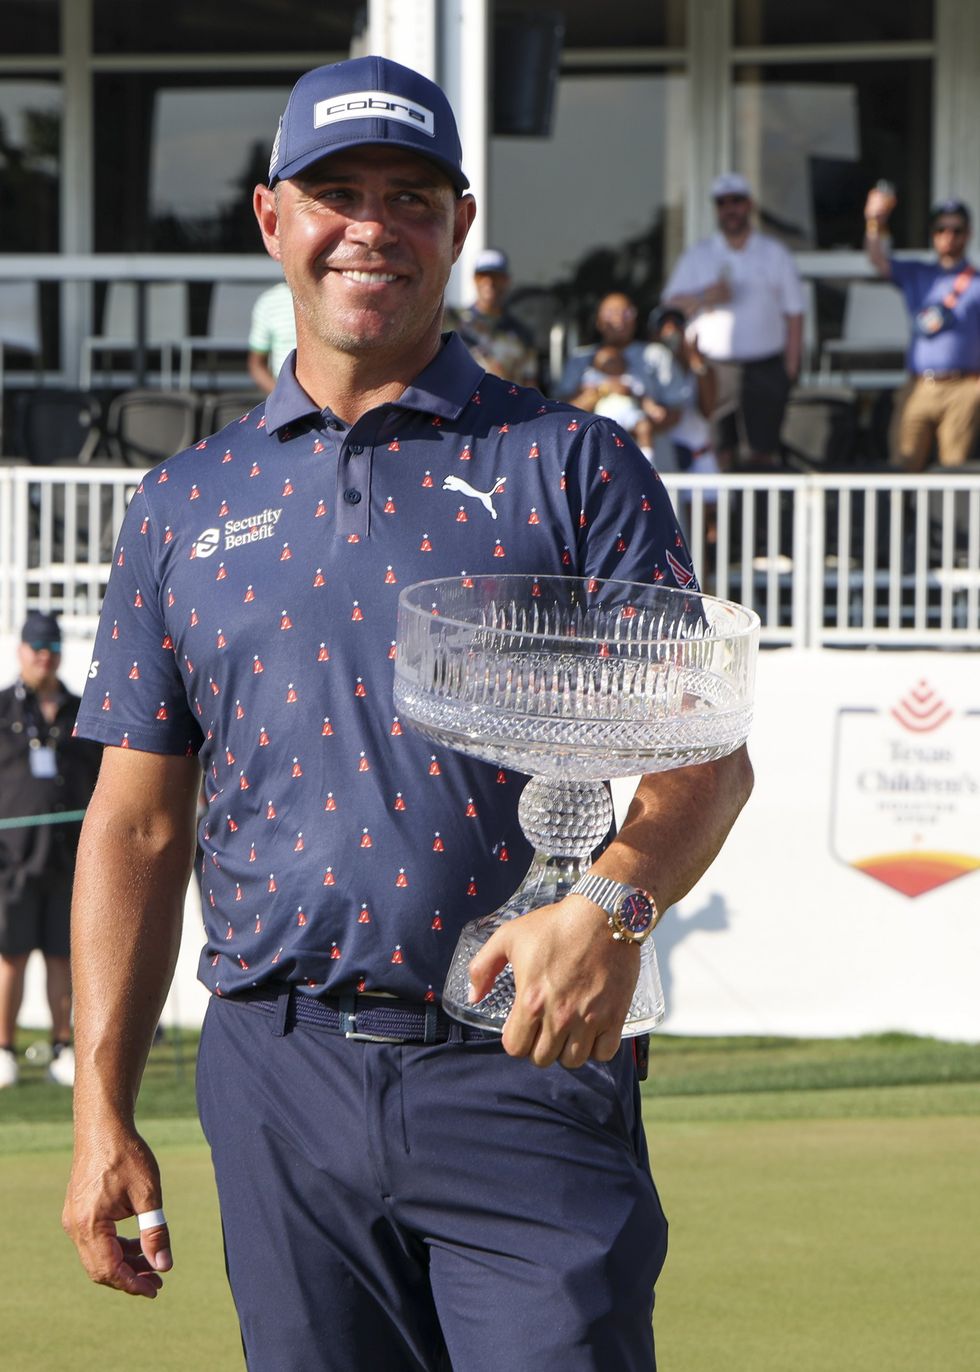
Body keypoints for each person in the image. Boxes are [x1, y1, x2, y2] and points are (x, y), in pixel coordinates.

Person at [62, 55, 753, 1371]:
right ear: (273, 220)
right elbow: (137, 836)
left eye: (411, 195)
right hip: (280, 1078)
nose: (372, 224)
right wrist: (102, 1108)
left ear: (460, 226)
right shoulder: (180, 509)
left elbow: (708, 761)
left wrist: (612, 906)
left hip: (525, 1073)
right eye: (336, 192)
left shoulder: (572, 461)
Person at [0, 612, 102, 1089]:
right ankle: (4, 1049)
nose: (45, 655)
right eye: (36, 646)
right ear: (21, 650)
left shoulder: (81, 711)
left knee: (64, 957)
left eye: (52, 647)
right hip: (12, 860)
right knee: (10, 956)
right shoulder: (3, 711)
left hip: (68, 857)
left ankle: (64, 1046)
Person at [662, 172, 805, 470]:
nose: (730, 209)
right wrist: (703, 296)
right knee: (718, 448)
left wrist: (791, 365)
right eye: (722, 202)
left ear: (749, 205)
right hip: (715, 367)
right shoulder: (698, 255)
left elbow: (794, 312)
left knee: (762, 451)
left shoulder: (774, 253)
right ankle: (726, 515)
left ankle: (762, 516)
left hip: (765, 365)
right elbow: (669, 308)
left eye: (737, 201)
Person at [863, 186, 980, 469]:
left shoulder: (976, 281)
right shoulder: (918, 273)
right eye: (941, 229)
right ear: (933, 234)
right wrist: (874, 220)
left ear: (968, 234)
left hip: (964, 386)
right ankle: (901, 515)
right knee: (903, 460)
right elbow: (878, 259)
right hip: (919, 384)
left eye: (956, 230)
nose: (949, 237)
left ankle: (947, 517)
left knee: (954, 468)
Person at [448, 245, 539, 385]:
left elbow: (530, 384)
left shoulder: (522, 334)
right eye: (482, 276)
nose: (489, 283)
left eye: (496, 277)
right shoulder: (453, 324)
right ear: (474, 280)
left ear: (506, 281)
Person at [246, 278, 297, 394]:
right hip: (283, 392)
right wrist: (281, 396)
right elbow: (257, 365)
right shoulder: (268, 302)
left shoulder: (332, 296)